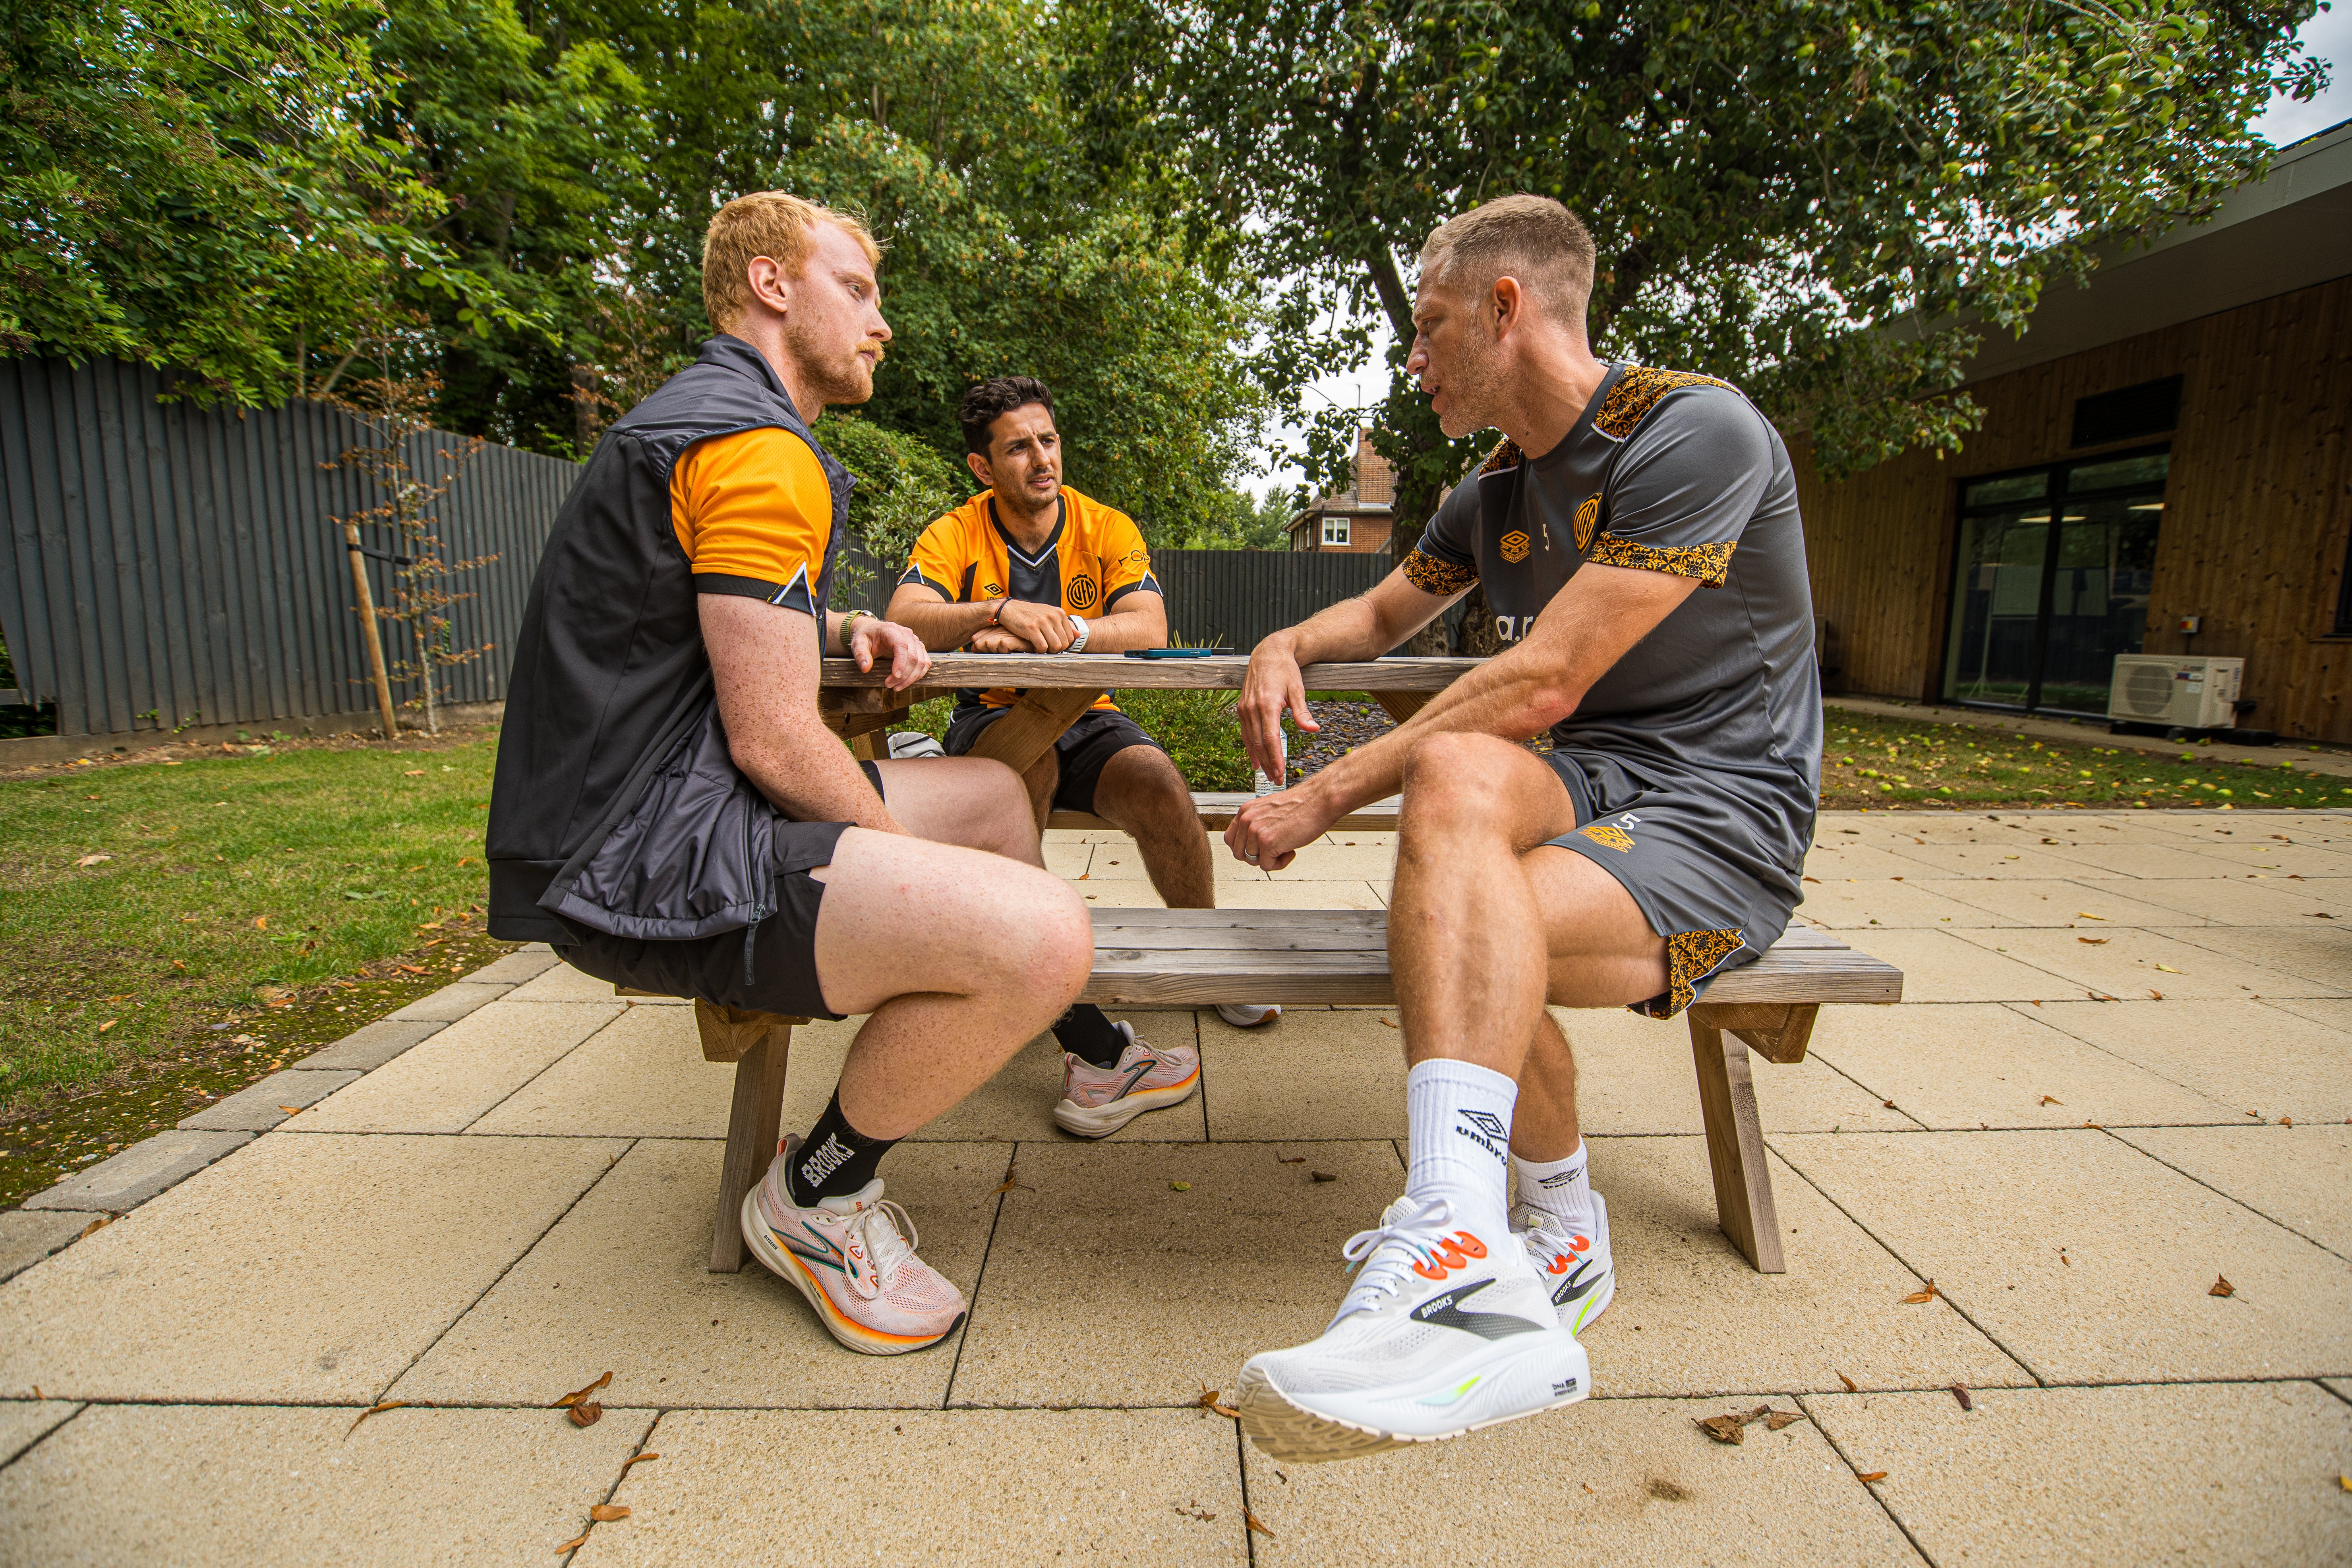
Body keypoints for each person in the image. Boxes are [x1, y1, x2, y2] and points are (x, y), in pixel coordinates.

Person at [1220, 195, 1822, 1461]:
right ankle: (1488, 1233)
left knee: (1457, 926)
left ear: (1507, 307)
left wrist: (1325, 792)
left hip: (1722, 809)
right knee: (1456, 797)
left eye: (1430, 325)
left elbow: (1545, 679)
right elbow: (1381, 616)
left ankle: (1519, 1229)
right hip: (1596, 778)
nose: (1413, 355)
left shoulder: (1691, 431)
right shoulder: (1493, 488)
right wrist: (1283, 641)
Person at [486, 193, 1093, 1358]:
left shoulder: (722, 424)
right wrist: (897, 866)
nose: (881, 326)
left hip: (645, 804)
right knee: (1047, 934)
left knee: (992, 795)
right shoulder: (760, 448)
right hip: (639, 852)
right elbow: (771, 742)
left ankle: (1015, 1034)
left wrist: (841, 629)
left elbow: (699, 633)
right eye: (857, 291)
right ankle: (817, 1193)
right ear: (773, 285)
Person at [886, 376, 1278, 1140]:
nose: (1042, 458)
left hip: (1093, 717)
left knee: (1161, 783)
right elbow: (906, 616)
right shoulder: (956, 533)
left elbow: (1151, 624)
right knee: (1019, 772)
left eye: (1049, 440)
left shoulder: (1103, 525)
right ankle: (1031, 965)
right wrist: (996, 611)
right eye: (1019, 447)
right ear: (982, 468)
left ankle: (1206, 957)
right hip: (991, 719)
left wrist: (1053, 628)